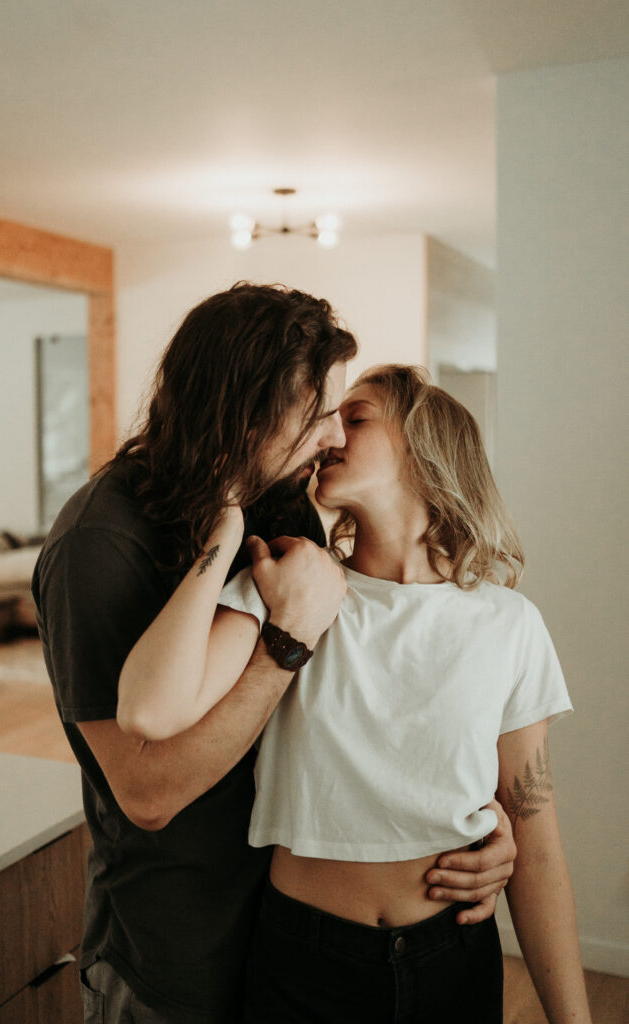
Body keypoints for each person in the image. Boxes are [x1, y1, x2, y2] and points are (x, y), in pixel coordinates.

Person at [34, 284, 516, 1024]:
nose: (331, 437)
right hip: (175, 954)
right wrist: (282, 645)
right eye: (319, 412)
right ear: (247, 404)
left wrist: (479, 822)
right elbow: (148, 795)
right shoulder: (98, 542)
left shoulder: (284, 505)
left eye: (345, 414)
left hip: (289, 929)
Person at [119, 363, 591, 1024]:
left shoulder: (508, 624)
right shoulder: (286, 586)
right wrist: (226, 530)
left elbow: (534, 833)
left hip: (453, 953)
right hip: (303, 960)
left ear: (426, 448)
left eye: (356, 416)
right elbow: (150, 707)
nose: (328, 433)